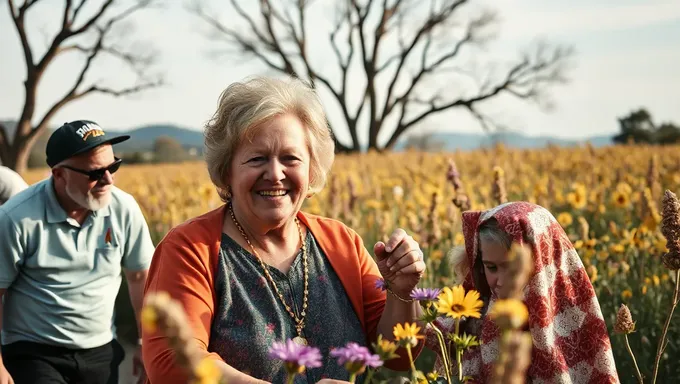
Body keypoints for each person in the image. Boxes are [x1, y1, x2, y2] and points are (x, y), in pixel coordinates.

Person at [141, 76, 427, 384]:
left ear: (311, 168)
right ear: (227, 170)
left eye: (290, 158)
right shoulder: (191, 248)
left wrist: (401, 292)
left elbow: (398, 356)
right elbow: (174, 362)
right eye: (257, 159)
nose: (275, 174)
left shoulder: (342, 243)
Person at [0, 120, 155, 384]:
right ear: (59, 174)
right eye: (95, 173)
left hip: (101, 349)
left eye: (113, 166)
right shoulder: (16, 218)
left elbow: (142, 278)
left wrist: (147, 344)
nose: (108, 180)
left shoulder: (123, 209)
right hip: (34, 352)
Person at [425, 201, 620, 383]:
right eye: (491, 267)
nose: (501, 281)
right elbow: (434, 336)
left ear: (542, 263)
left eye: (512, 269)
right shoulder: (478, 310)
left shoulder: (572, 321)